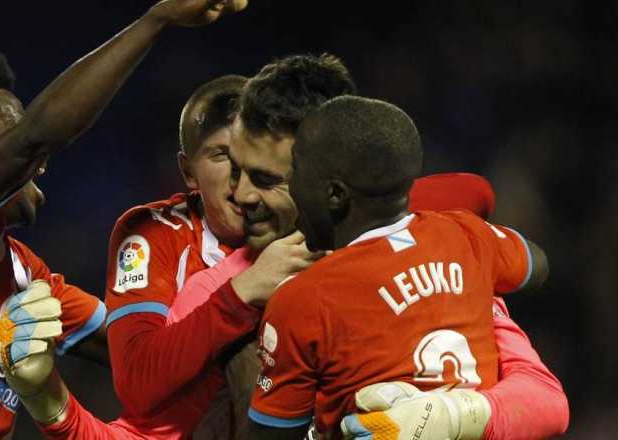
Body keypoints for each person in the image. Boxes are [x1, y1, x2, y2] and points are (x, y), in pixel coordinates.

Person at [0, 1, 246, 438]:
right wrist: (156, 20)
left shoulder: (23, 273)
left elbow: (138, 349)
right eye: (9, 133)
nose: (43, 162)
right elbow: (36, 138)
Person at [228, 54, 568, 439]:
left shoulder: (301, 300)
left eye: (296, 171)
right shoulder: (466, 235)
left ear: (335, 193)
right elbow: (535, 264)